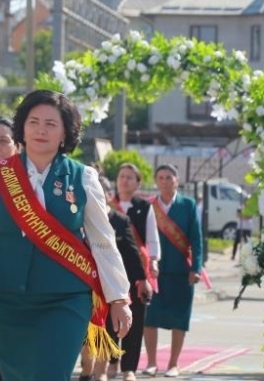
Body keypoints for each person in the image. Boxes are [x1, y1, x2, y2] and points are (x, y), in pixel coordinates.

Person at [0, 89, 132, 381]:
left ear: (64, 133)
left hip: (65, 299)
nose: (40, 130)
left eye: (51, 124)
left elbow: (102, 240)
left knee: (50, 374)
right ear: (22, 127)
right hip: (6, 299)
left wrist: (119, 298)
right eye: (33, 122)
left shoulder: (82, 177)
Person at [79, 176, 147, 381]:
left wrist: (141, 279)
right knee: (85, 334)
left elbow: (132, 253)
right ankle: (86, 371)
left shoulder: (119, 220)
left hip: (108, 287)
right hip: (83, 285)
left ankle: (100, 374)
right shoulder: (76, 217)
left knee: (105, 330)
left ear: (107, 195)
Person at [143, 164, 204, 377]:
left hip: (181, 271)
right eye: (160, 177)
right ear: (156, 181)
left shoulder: (187, 205)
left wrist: (196, 267)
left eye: (169, 177)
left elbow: (197, 239)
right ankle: (151, 363)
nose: (165, 182)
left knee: (180, 318)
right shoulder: (149, 206)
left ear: (177, 181)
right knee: (149, 318)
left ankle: (173, 364)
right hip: (155, 273)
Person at [110, 162, 160, 381]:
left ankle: (129, 367)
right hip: (110, 268)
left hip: (136, 269)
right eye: (122, 176)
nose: (125, 180)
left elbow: (152, 238)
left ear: (138, 182)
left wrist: (154, 263)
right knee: (109, 318)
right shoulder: (107, 205)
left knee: (136, 318)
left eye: (130, 177)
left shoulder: (144, 207)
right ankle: (111, 361)